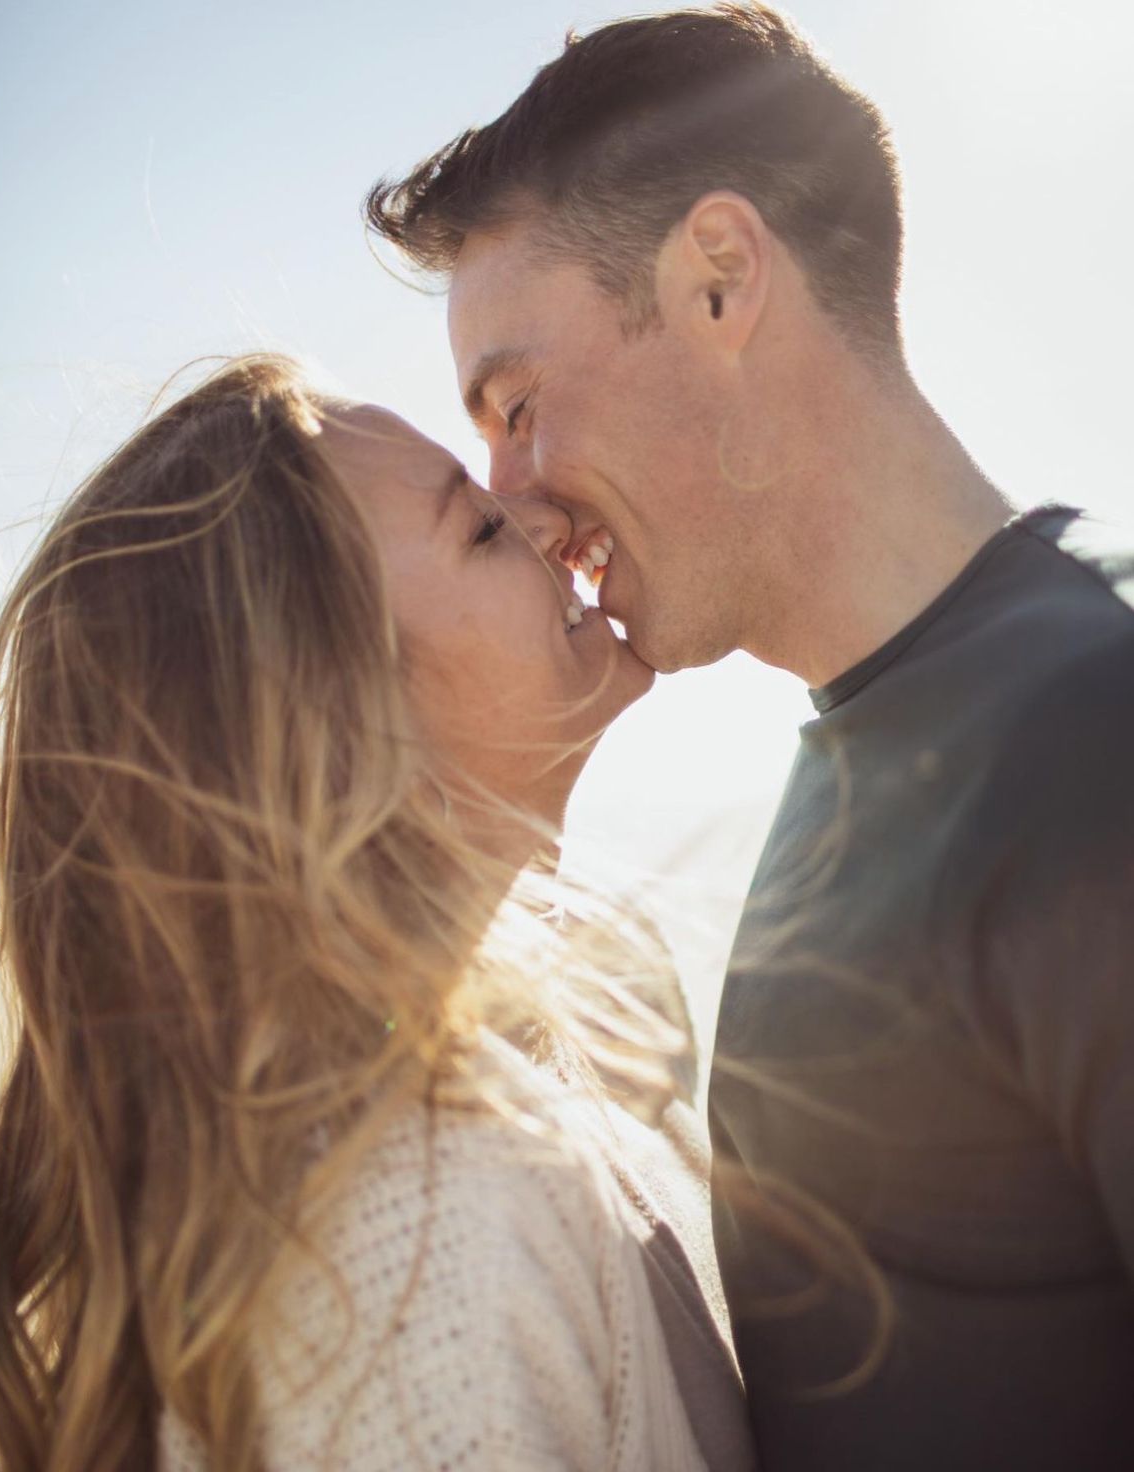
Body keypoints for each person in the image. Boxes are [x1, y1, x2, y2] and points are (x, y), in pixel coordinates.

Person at [366, 3, 1134, 1469]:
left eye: (517, 407)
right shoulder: (866, 754)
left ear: (717, 281)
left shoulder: (1091, 731)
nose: (516, 496)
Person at [0, 355, 755, 1471]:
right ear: (351, 743)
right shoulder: (408, 1250)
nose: (540, 512)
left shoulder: (531, 1083)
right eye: (478, 531)